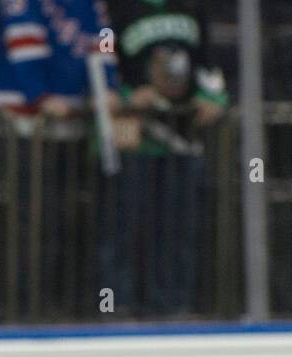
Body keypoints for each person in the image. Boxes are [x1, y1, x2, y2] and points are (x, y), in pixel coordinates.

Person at [99, 0, 229, 317]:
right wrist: (123, 95)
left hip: (182, 130)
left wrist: (214, 98)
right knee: (123, 222)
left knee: (177, 225)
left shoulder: (193, 8)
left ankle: (173, 304)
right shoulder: (114, 10)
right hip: (131, 127)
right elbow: (101, 56)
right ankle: (117, 305)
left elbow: (208, 63)